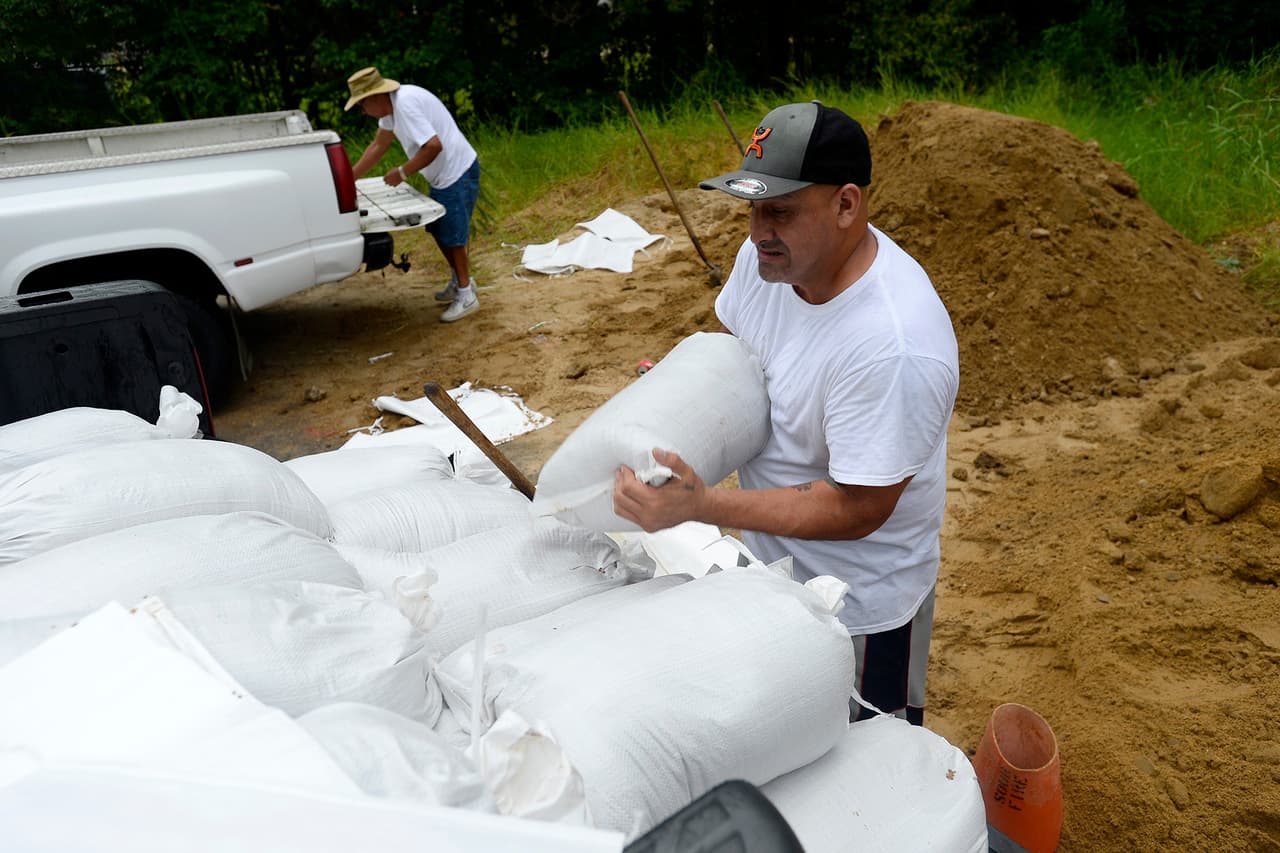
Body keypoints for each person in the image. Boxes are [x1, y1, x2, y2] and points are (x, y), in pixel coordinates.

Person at [611, 102, 959, 726]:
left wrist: (703, 506)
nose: (756, 231)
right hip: (774, 566)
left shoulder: (892, 345)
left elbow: (859, 507)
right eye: (751, 209)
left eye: (780, 211)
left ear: (846, 205)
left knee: (867, 764)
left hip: (862, 604)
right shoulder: (769, 264)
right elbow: (728, 355)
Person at [344, 66, 482, 323]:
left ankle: (467, 295)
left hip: (457, 172)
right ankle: (459, 281)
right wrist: (349, 178)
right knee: (439, 230)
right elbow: (378, 146)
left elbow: (433, 146)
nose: (363, 113)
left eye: (362, 106)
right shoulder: (390, 110)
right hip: (443, 176)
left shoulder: (405, 104)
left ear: (375, 97)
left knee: (454, 236)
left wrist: (403, 172)